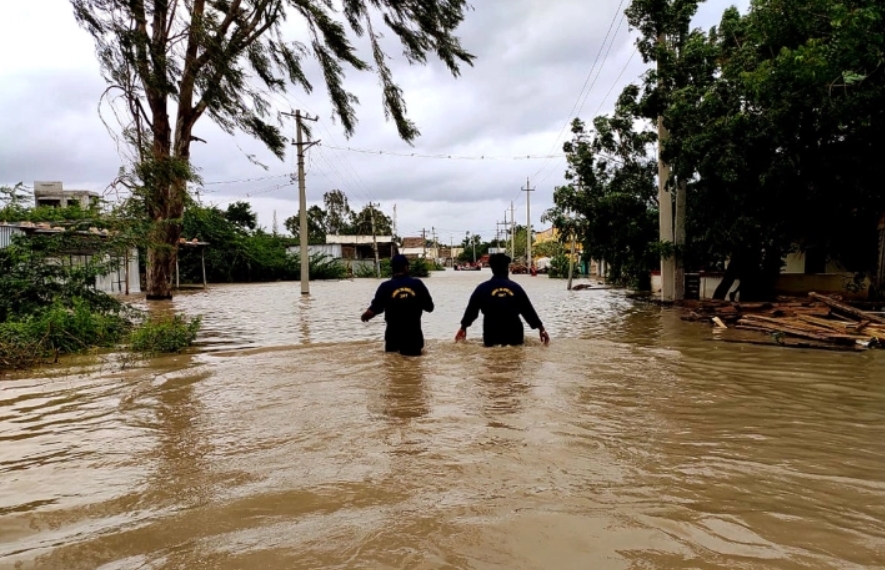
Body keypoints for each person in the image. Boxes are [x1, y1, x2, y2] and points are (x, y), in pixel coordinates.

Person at [455, 253, 550, 347]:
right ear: (506, 268)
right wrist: (541, 329)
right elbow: (528, 311)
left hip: (491, 333)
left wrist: (463, 328)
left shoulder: (482, 289)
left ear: (492, 269)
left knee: (492, 358)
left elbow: (471, 311)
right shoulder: (516, 288)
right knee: (515, 357)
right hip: (514, 333)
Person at [361, 255, 435, 356]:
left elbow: (375, 309)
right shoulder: (417, 284)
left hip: (393, 337)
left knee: (393, 365)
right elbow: (430, 308)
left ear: (392, 269)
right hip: (413, 337)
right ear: (406, 267)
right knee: (414, 367)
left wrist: (365, 316)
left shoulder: (385, 287)